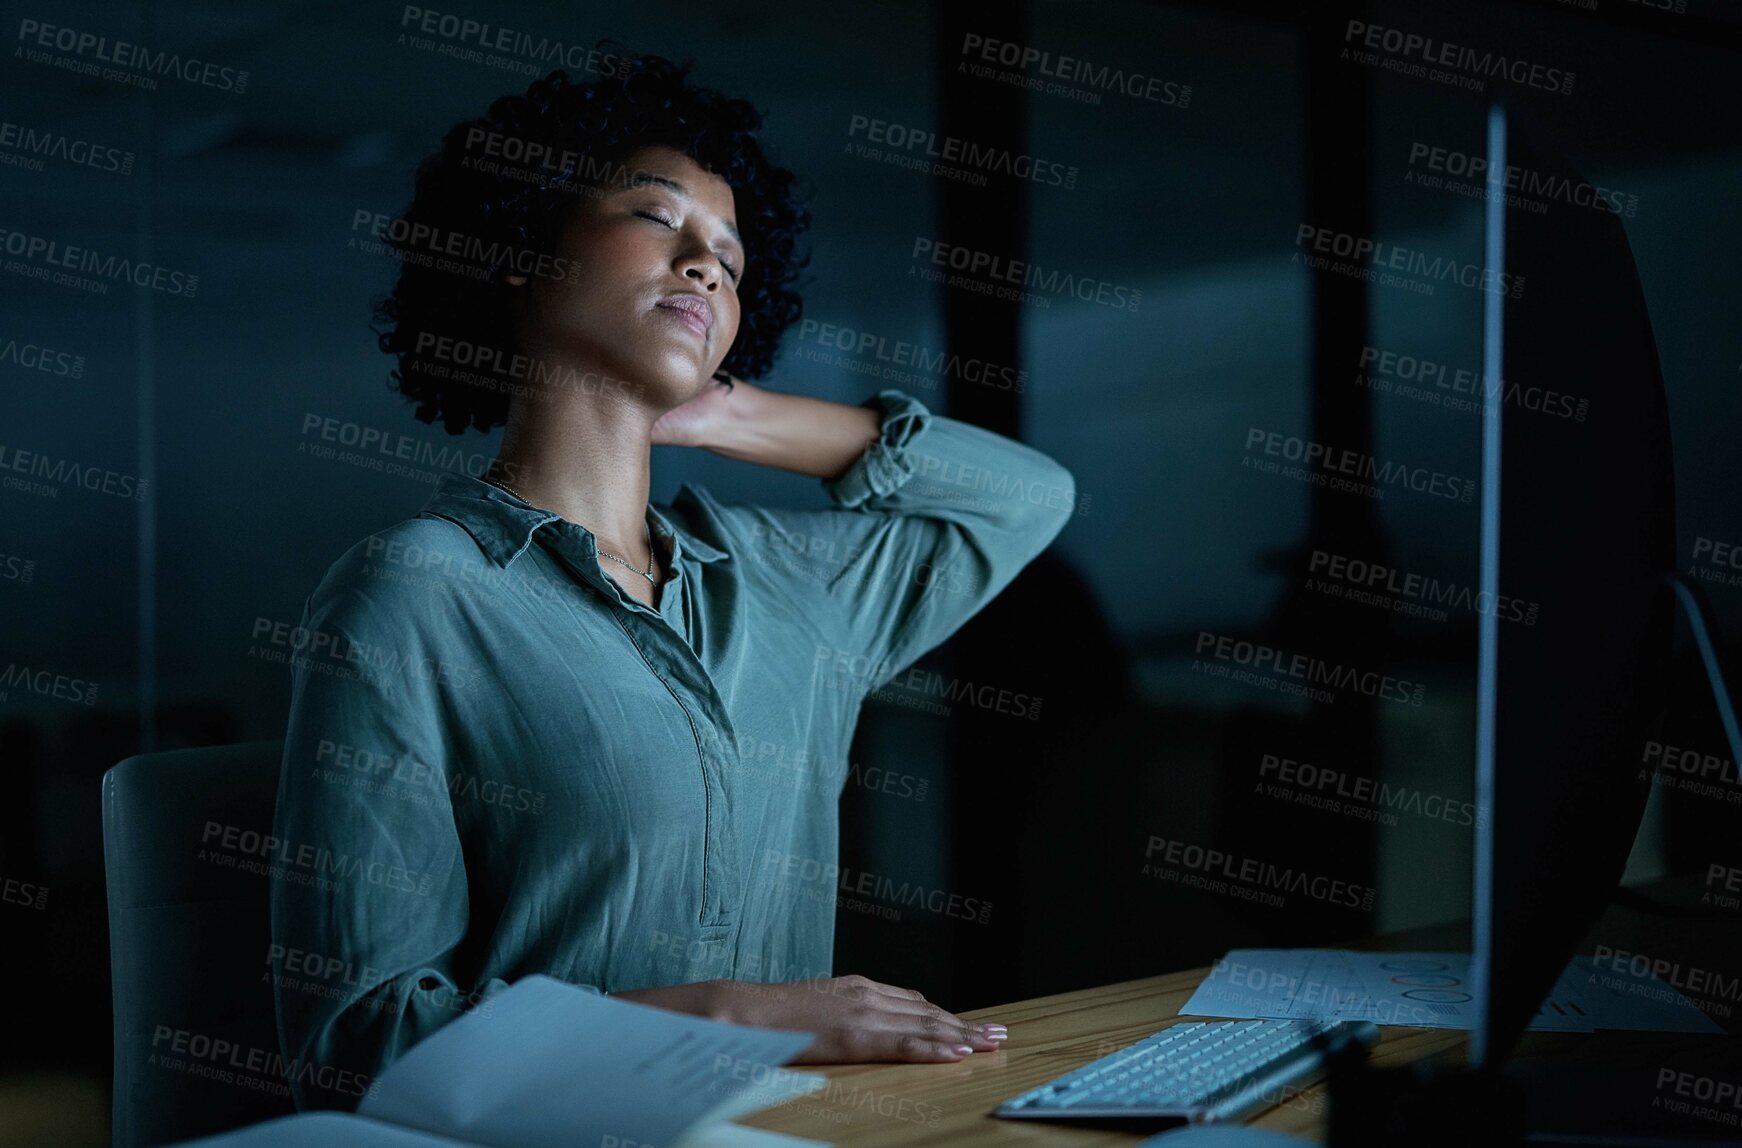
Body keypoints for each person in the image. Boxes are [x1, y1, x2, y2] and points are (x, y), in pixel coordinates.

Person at [271, 46, 1076, 1110]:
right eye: (657, 220)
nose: (704, 265)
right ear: (523, 245)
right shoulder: (412, 592)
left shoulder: (784, 579)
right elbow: (354, 1039)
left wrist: (731, 410)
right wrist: (744, 1016)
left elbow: (1024, 498)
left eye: (731, 263)